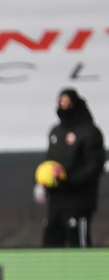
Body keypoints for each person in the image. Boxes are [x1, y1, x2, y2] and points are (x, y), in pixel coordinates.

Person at [37, 88, 106, 247]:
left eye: (68, 102)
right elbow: (50, 162)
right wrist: (42, 182)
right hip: (57, 200)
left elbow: (94, 166)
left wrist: (68, 180)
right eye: (61, 103)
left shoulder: (89, 132)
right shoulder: (56, 132)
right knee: (50, 242)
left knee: (78, 244)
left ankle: (86, 272)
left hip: (79, 201)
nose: (65, 106)